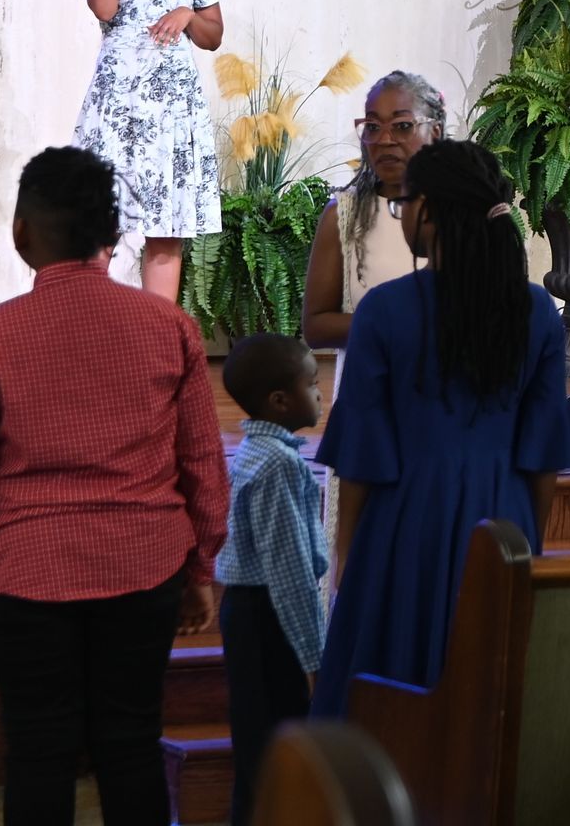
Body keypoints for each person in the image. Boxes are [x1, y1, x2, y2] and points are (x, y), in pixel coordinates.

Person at [0, 147, 229, 826]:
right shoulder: (169, 327)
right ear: (112, 235)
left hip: (23, 576)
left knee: (38, 752)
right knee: (132, 745)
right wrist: (200, 566)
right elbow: (202, 462)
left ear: (21, 233)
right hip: (144, 565)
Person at [311, 139, 570, 717]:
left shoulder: (383, 310)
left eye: (404, 203)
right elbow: (543, 457)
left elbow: (361, 454)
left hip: (406, 518)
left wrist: (347, 554)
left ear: (428, 211)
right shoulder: (536, 311)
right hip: (504, 518)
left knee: (391, 690)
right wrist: (531, 546)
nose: (401, 214)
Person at [75, 0, 227, 300]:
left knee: (166, 228)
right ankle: (85, 329)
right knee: (101, 221)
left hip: (173, 106)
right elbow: (104, 9)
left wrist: (187, 14)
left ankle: (157, 337)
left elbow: (213, 36)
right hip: (116, 101)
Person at [214, 333, 329, 826]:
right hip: (268, 616)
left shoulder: (256, 451)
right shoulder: (278, 463)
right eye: (313, 383)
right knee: (274, 748)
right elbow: (289, 571)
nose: (320, 394)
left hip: (250, 611)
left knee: (257, 745)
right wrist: (314, 657)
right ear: (280, 401)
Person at [300, 69, 447, 391]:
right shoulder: (343, 214)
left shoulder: (463, 210)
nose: (384, 139)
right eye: (372, 127)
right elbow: (316, 327)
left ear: (435, 132)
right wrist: (404, 325)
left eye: (402, 126)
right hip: (366, 396)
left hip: (449, 396)